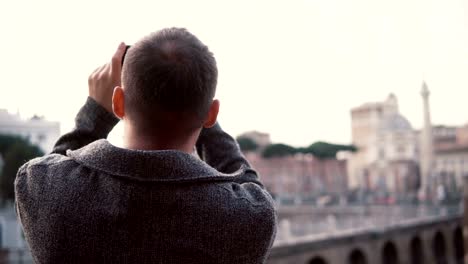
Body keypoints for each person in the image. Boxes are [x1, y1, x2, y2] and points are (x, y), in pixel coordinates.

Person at [14, 28, 277, 263]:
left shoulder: (41, 186)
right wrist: (197, 108)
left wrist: (94, 113)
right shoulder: (247, 219)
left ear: (118, 102)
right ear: (211, 114)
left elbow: (55, 167)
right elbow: (245, 181)